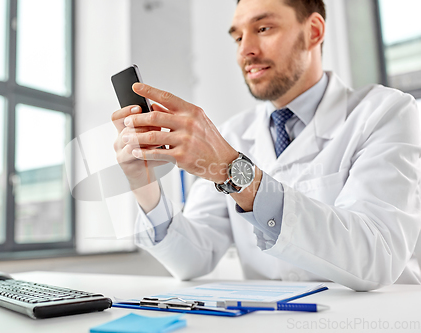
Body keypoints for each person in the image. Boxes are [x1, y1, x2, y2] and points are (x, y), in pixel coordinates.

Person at [111, 0, 421, 291]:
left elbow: (377, 255)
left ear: (313, 31)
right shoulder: (233, 133)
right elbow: (192, 258)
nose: (245, 50)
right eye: (237, 38)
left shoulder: (386, 112)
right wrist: (145, 185)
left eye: (263, 29)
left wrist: (231, 169)